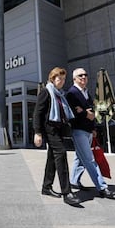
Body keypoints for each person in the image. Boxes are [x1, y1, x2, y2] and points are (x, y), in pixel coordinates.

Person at [66, 68, 115, 198]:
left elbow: (91, 112)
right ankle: (102, 187)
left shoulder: (86, 92)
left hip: (88, 130)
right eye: (80, 75)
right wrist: (84, 113)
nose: (83, 77)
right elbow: (72, 111)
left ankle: (74, 181)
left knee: (80, 158)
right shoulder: (71, 93)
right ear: (74, 79)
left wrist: (93, 127)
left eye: (85, 75)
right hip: (78, 130)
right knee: (89, 159)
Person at [33, 67, 80, 206]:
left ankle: (46, 187)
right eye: (59, 78)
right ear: (52, 79)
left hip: (59, 129)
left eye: (64, 79)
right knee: (61, 154)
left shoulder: (60, 94)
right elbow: (38, 113)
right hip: (50, 129)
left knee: (52, 158)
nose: (62, 81)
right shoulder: (46, 92)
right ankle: (67, 192)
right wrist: (37, 132)